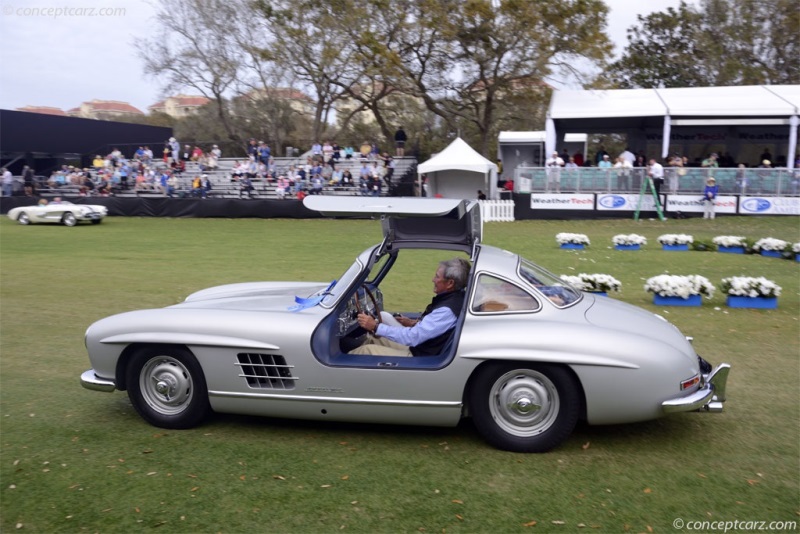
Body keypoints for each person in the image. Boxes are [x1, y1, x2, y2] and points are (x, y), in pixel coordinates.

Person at [349, 258, 470, 357]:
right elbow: (433, 328)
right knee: (375, 339)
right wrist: (413, 323)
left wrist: (374, 326)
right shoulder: (456, 298)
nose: (433, 279)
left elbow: (413, 337)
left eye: (437, 277)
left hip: (419, 356)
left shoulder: (446, 310)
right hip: (421, 347)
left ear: (450, 283)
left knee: (365, 351)